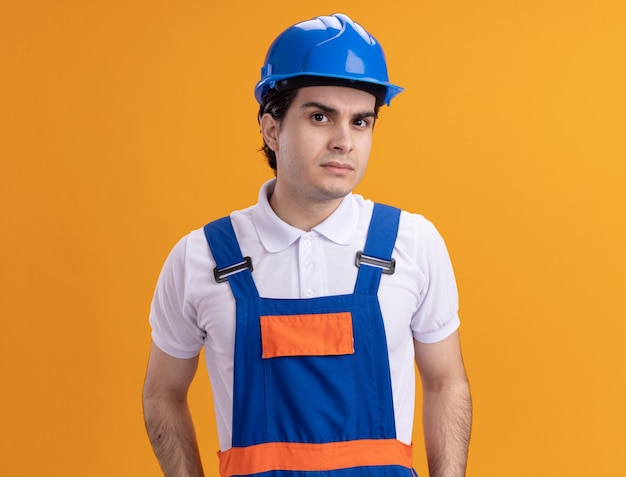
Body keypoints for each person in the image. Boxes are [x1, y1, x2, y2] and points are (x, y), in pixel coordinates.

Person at [143, 13, 472, 477]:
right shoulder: (203, 257)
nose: (344, 141)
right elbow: (162, 393)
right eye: (321, 116)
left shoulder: (411, 243)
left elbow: (445, 382)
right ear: (271, 129)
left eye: (361, 121)